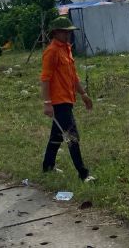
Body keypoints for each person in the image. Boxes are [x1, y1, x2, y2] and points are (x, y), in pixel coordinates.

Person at [40, 16, 96, 182]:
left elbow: (73, 76)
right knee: (73, 137)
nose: (69, 35)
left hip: (68, 99)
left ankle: (47, 166)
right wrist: (47, 103)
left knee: (57, 136)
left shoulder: (66, 49)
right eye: (66, 32)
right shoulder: (51, 52)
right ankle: (83, 174)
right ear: (56, 32)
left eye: (70, 32)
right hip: (59, 102)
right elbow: (45, 79)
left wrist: (83, 94)